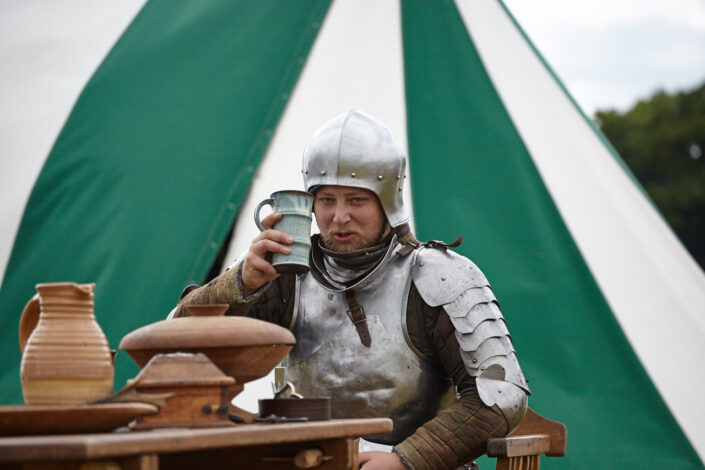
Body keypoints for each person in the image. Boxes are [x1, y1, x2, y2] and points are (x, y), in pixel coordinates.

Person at [172, 109, 530, 470]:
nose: (339, 217)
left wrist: (406, 460)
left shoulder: (438, 275)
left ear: (387, 201)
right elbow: (173, 350)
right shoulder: (282, 273)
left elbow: (501, 394)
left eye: (356, 200)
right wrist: (241, 282)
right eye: (326, 200)